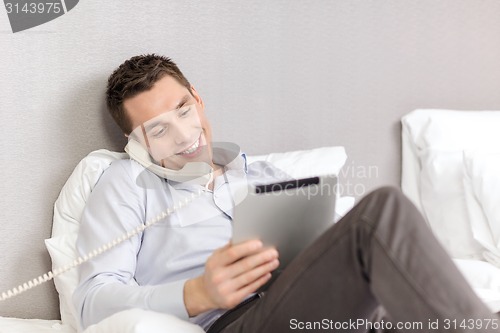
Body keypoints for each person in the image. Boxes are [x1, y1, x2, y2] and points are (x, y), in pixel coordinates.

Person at [73, 54, 498, 333]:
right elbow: (92, 303)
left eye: (184, 109)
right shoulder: (125, 184)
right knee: (379, 213)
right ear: (135, 143)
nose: (186, 135)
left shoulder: (260, 172)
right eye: (159, 129)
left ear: (198, 100)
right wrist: (197, 293)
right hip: (239, 322)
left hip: (320, 307)